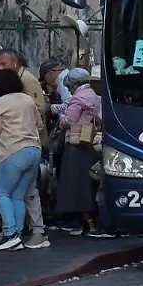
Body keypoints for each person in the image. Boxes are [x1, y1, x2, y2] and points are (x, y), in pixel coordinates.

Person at [0, 68, 45, 251]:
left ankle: (10, 234)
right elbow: (40, 125)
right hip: (33, 150)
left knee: (1, 192)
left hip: (12, 150)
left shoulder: (0, 102)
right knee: (18, 195)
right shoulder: (28, 100)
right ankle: (16, 235)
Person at [57, 65, 104, 236]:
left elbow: (69, 120)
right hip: (90, 142)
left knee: (74, 183)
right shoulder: (95, 96)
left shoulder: (78, 98)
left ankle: (78, 222)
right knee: (88, 182)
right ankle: (90, 220)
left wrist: (60, 115)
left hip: (76, 142)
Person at [0, 48, 50, 118]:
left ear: (15, 62)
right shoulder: (13, 79)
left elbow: (40, 108)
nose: (1, 68)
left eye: (4, 64)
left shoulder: (27, 79)